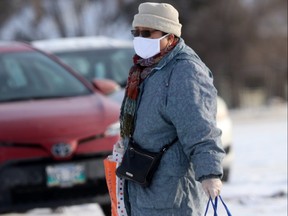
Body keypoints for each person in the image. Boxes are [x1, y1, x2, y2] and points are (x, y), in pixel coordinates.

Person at [119, 2, 226, 216]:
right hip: (144, 186)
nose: (140, 38)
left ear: (169, 35)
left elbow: (199, 127)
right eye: (136, 32)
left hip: (172, 193)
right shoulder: (145, 69)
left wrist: (209, 172)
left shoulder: (184, 72)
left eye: (147, 33)